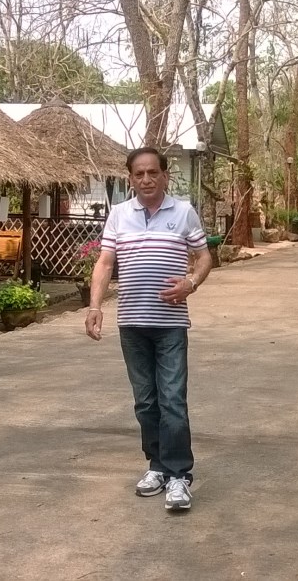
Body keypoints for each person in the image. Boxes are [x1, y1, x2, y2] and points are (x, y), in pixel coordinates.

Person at [85, 147, 213, 511]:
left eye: (152, 173)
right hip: (132, 324)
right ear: (130, 179)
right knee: (146, 402)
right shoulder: (119, 215)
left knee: (172, 399)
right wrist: (95, 306)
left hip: (171, 324)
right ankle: (157, 465)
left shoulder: (184, 212)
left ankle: (179, 476)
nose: (146, 179)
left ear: (164, 175)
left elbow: (205, 257)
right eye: (138, 174)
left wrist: (191, 282)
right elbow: (105, 261)